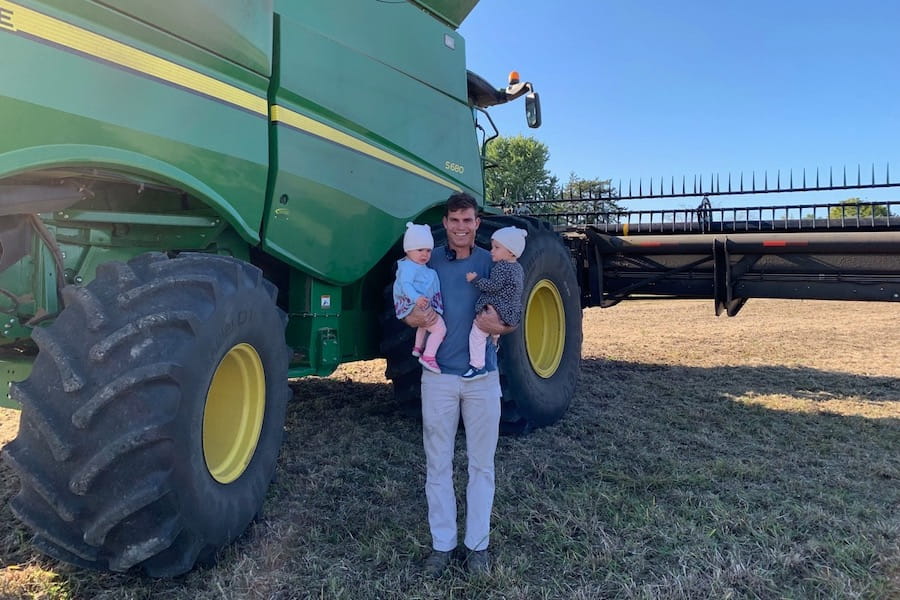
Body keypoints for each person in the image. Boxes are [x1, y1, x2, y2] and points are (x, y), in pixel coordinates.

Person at [403, 192, 514, 578]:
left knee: (481, 466)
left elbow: (513, 315)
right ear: (445, 223)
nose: (461, 227)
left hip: (483, 380)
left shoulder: (494, 262)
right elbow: (405, 309)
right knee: (438, 464)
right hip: (438, 379)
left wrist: (498, 327)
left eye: (468, 220)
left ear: (477, 223)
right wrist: (414, 319)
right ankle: (442, 545)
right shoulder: (425, 259)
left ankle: (477, 547)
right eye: (454, 220)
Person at [462, 226, 527, 380]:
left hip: (499, 308)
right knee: (491, 332)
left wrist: (475, 279)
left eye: (497, 247)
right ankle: (494, 341)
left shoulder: (501, 267)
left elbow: (493, 286)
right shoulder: (518, 268)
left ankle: (477, 366)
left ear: (511, 252)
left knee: (476, 333)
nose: (492, 250)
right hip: (510, 310)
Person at [392, 222, 445, 373]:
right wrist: (416, 299)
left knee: (424, 324)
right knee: (440, 329)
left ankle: (417, 347)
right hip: (413, 303)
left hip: (420, 302)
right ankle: (428, 356)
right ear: (407, 249)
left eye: (428, 250)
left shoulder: (417, 266)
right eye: (420, 249)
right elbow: (405, 285)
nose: (425, 254)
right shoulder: (408, 268)